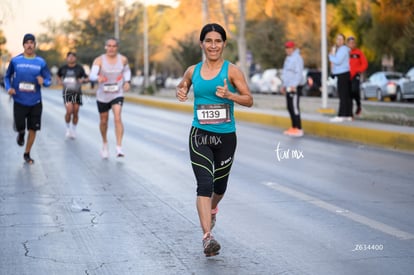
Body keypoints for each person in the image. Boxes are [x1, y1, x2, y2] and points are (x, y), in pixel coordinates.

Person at [176, 23, 253, 257]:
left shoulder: (232, 71)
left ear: (224, 44)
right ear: (202, 44)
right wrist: (180, 91)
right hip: (200, 134)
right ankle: (207, 238)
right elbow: (183, 86)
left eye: (217, 41)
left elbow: (249, 99)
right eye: (208, 41)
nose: (213, 45)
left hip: (226, 137)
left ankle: (213, 208)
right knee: (205, 184)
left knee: (219, 187)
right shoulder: (193, 70)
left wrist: (230, 95)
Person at [4, 33, 52, 164]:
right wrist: (9, 88)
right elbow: (7, 77)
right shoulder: (15, 61)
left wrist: (44, 82)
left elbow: (48, 80)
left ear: (34, 45)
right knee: (21, 126)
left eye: (32, 42)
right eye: (27, 42)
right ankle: (20, 133)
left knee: (33, 128)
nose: (29, 45)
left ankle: (27, 153)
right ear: (23, 45)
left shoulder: (41, 62)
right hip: (19, 100)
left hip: (35, 101)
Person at [89, 37, 131, 158]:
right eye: (109, 46)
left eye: (114, 46)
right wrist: (97, 78)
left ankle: (119, 147)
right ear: (105, 47)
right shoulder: (99, 60)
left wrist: (127, 81)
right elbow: (92, 75)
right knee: (104, 121)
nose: (111, 48)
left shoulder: (123, 59)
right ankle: (105, 143)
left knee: (117, 117)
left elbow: (127, 71)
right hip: (102, 94)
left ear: (117, 47)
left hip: (117, 93)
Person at [57, 51, 88, 139]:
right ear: (66, 58)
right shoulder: (63, 68)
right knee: (69, 111)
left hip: (77, 92)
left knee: (75, 112)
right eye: (69, 56)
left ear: (75, 58)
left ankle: (73, 130)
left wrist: (83, 80)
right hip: (67, 92)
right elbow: (58, 76)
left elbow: (86, 77)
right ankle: (67, 129)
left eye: (73, 57)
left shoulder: (79, 68)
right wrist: (59, 81)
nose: (71, 58)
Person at [280, 41, 304, 137]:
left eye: (289, 48)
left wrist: (294, 85)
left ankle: (299, 128)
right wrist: (284, 85)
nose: (288, 50)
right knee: (289, 107)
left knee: (294, 107)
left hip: (295, 87)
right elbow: (286, 74)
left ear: (293, 48)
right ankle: (293, 127)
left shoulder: (297, 58)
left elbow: (298, 73)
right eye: (286, 48)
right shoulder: (287, 58)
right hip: (288, 86)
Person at [329, 33, 352, 122]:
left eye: (340, 39)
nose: (339, 41)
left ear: (343, 41)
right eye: (337, 39)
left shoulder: (343, 50)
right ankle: (347, 114)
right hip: (342, 74)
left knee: (342, 95)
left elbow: (337, 61)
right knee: (345, 95)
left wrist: (331, 55)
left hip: (343, 74)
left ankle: (341, 115)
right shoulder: (341, 50)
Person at [347, 36, 368, 116]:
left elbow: (364, 63)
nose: (352, 44)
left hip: (355, 75)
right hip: (347, 76)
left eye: (353, 43)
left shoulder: (358, 53)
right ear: (347, 44)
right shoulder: (346, 53)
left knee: (354, 90)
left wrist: (359, 70)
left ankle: (358, 105)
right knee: (348, 95)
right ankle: (350, 112)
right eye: (350, 43)